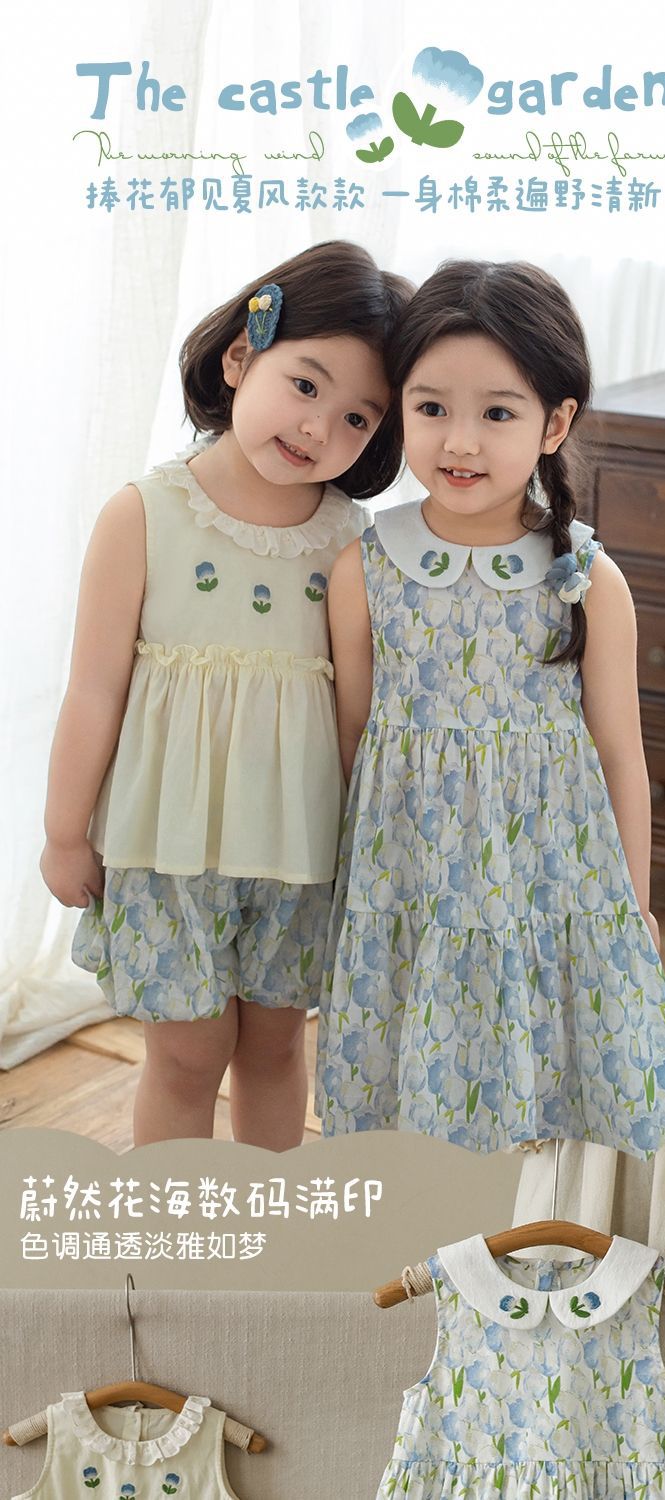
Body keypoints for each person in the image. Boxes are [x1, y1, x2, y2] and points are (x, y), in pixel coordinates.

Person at [40, 240, 412, 1148]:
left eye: (358, 418)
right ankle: (175, 1226)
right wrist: (64, 831)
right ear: (242, 357)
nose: (319, 427)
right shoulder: (145, 513)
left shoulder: (352, 542)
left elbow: (361, 715)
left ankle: (265, 1222)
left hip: (301, 849)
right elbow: (92, 692)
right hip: (165, 849)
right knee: (186, 1056)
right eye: (306, 385)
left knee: (277, 1049)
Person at [316, 258, 665, 1158]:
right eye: (431, 407)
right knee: (414, 1091)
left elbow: (620, 756)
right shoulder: (365, 569)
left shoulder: (588, 581)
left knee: (560, 1086)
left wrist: (632, 907)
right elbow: (352, 742)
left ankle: (542, 1231)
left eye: (497, 413)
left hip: (558, 885)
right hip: (408, 882)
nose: (460, 442)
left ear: (554, 423)